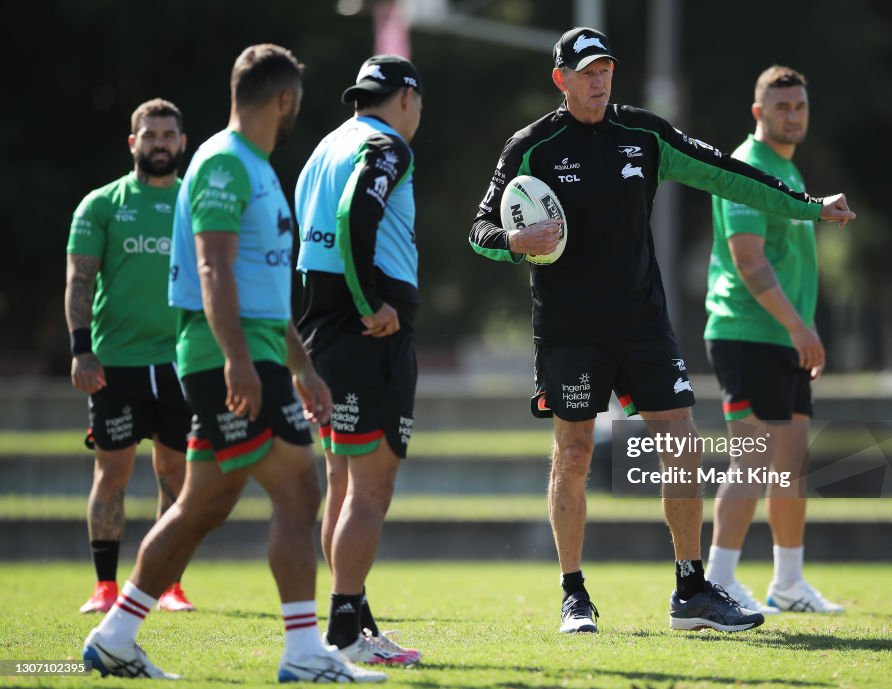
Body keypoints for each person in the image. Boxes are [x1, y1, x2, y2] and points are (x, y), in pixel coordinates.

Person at [468, 28, 855, 634]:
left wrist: (810, 206)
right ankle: (574, 594)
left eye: (606, 71)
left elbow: (727, 173)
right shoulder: (531, 146)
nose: (599, 82)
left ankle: (691, 589)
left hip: (643, 322)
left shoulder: (644, 134)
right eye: (587, 72)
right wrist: (515, 242)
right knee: (571, 454)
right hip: (570, 330)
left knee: (682, 442)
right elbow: (480, 230)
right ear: (561, 79)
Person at [82, 44, 386, 683]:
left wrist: (302, 368)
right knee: (300, 488)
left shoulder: (257, 166)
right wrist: (238, 361)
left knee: (202, 506)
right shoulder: (224, 162)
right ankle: (304, 653)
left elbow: (265, 285)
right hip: (228, 359)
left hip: (255, 355)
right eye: (296, 102)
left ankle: (114, 637)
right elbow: (213, 267)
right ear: (283, 100)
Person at [294, 54, 424, 666]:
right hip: (367, 332)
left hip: (321, 329)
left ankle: (355, 618)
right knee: (370, 490)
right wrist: (371, 300)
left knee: (343, 485)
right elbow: (356, 212)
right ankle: (345, 631)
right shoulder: (387, 145)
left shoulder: (324, 147)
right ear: (407, 99)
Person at [703, 65, 844, 615]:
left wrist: (800, 332)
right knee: (754, 462)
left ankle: (788, 583)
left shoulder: (788, 171)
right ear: (759, 112)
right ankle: (717, 580)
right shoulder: (746, 167)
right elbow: (748, 261)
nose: (794, 115)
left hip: (784, 337)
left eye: (800, 107)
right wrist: (798, 326)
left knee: (789, 465)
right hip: (748, 333)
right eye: (782, 107)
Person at [65, 98, 195, 615]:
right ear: (133, 142)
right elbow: (79, 279)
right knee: (111, 476)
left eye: (168, 134)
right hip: (114, 363)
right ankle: (105, 586)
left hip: (181, 361)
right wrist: (81, 349)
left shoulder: (195, 203)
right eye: (150, 134)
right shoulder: (101, 204)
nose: (159, 142)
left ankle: (169, 585)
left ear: (181, 143)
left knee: (177, 477)